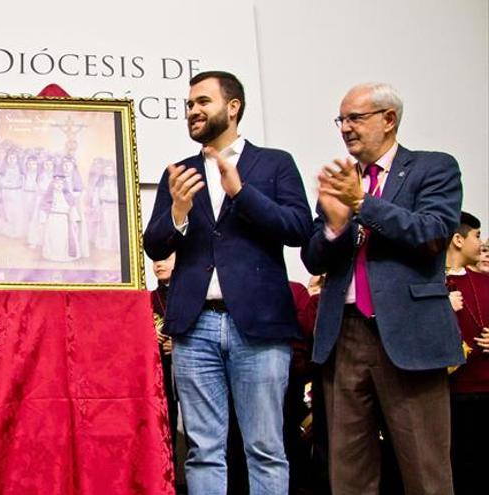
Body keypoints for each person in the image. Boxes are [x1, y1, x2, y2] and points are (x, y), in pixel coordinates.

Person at [143, 70, 312, 495]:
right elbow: (153, 244)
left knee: (266, 448)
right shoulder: (178, 173)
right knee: (202, 450)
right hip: (194, 326)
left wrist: (241, 193)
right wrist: (178, 212)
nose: (193, 111)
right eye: (189, 105)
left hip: (258, 324)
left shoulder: (275, 163)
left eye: (203, 102)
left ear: (232, 107)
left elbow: (298, 229)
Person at [301, 82, 462, 495]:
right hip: (344, 335)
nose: (346, 128)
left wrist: (363, 205)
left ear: (389, 120)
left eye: (356, 118)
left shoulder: (433, 167)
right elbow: (313, 258)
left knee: (426, 471)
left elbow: (433, 233)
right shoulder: (343, 180)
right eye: (342, 120)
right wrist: (335, 227)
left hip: (409, 335)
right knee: (348, 474)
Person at [444, 211, 489, 495]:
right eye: (477, 236)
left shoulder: (486, 281)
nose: (481, 243)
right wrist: (441, 309)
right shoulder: (431, 284)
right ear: (458, 240)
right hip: (447, 394)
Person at [150, 253, 182, 490]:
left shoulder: (192, 292)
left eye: (166, 259)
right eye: (155, 260)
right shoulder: (148, 299)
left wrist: (180, 344)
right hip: (161, 373)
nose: (159, 264)